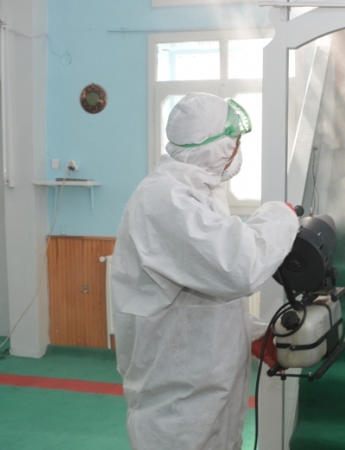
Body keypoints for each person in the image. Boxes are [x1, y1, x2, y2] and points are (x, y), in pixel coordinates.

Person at [111, 92, 299, 450]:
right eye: (235, 143)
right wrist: (281, 215)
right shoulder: (166, 199)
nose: (237, 152)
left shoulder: (197, 193)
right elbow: (240, 267)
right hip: (178, 403)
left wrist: (251, 333)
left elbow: (199, 297)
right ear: (215, 146)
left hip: (205, 391)